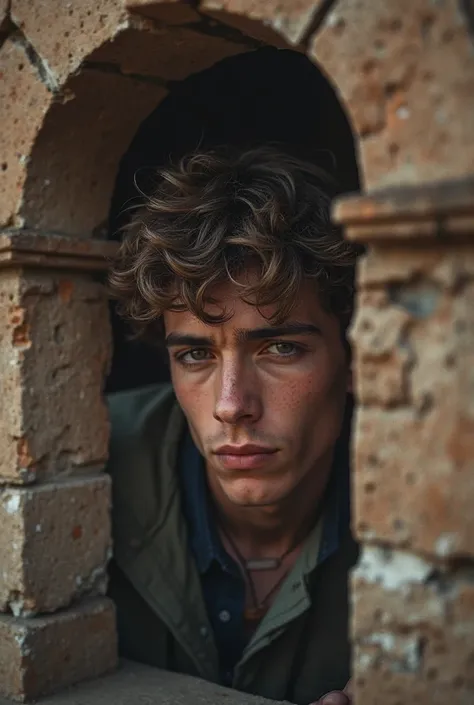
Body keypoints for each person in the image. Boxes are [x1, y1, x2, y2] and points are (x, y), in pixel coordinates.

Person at [106, 146, 360, 705]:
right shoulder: (86, 463)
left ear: (358, 359)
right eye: (195, 356)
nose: (230, 405)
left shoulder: (436, 505)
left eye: (281, 347)